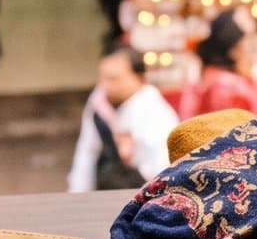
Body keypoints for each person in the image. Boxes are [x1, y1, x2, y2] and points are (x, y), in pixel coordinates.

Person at [69, 44, 180, 192]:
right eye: (102, 78)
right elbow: (87, 149)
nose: (105, 85)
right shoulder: (100, 100)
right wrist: (77, 195)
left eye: (114, 79)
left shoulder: (157, 115)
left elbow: (160, 171)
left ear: (140, 78)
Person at [176, 12, 257, 120]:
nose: (254, 54)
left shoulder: (211, 78)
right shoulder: (226, 87)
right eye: (251, 44)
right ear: (234, 50)